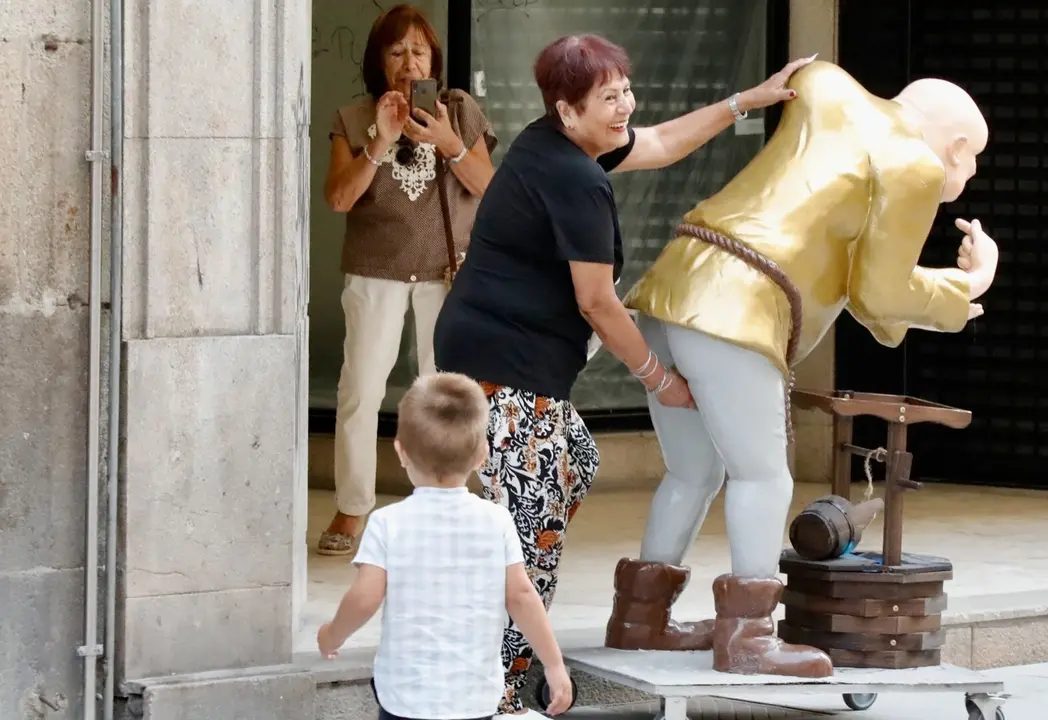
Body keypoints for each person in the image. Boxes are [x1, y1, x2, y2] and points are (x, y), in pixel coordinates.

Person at [431, 34, 815, 717]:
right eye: (608, 97)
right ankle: (497, 696)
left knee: (574, 460)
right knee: (531, 531)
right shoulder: (574, 178)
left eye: (626, 91)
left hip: (503, 357)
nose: (626, 107)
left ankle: (525, 638)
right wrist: (658, 378)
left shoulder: (556, 142)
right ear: (567, 110)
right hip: (502, 365)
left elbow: (661, 143)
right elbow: (597, 302)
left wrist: (746, 101)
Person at [604, 63, 999, 677]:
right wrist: (970, 282)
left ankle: (640, 619)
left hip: (677, 282)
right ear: (957, 147)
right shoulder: (915, 165)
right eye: (973, 161)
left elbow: (859, 276)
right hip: (738, 309)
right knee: (763, 477)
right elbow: (881, 294)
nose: (968, 174)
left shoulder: (831, 89)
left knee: (693, 469)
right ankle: (748, 638)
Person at [319, 4, 498, 556]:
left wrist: (449, 142)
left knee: (444, 394)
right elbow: (338, 198)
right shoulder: (354, 118)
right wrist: (380, 140)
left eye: (419, 51)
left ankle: (445, 503)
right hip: (376, 271)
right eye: (397, 51)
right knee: (360, 391)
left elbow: (491, 190)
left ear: (434, 60)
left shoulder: (459, 111)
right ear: (379, 61)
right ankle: (353, 507)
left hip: (449, 274)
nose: (409, 62)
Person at [316, 373, 573, 720]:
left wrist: (332, 635)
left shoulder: (387, 523)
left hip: (406, 698)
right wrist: (554, 664)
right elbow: (522, 596)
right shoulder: (496, 520)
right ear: (482, 455)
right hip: (474, 698)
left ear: (401, 452)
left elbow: (365, 598)